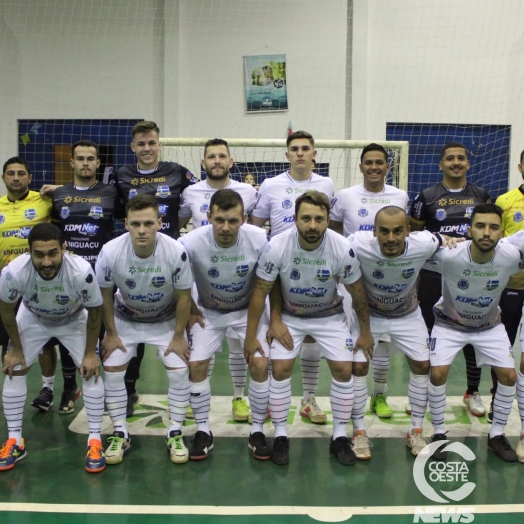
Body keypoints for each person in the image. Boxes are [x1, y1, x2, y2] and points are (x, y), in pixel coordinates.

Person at [245, 191, 374, 466]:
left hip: (329, 315)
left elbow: (358, 292)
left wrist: (365, 331)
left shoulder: (341, 247)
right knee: (280, 369)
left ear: (328, 220)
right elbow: (260, 291)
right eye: (306, 218)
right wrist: (261, 328)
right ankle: (281, 434)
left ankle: (339, 437)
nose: (312, 225)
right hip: (290, 316)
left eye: (319, 219)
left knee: (344, 369)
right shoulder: (276, 246)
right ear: (295, 219)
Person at [95, 194, 192, 465]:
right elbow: (104, 295)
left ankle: (175, 431)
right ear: (125, 224)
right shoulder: (110, 251)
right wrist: (111, 333)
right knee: (113, 371)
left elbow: (185, 296)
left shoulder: (176, 251)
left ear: (160, 223)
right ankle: (119, 432)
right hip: (125, 320)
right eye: (135, 224)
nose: (142, 230)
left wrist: (178, 337)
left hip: (166, 320)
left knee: (180, 370)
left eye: (148, 223)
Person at [110, 121, 199, 416]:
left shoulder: (177, 172)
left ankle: (185, 392)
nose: (147, 148)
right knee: (134, 321)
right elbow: (103, 198)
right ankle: (129, 390)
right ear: (133, 147)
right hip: (136, 257)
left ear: (159, 144)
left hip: (169, 258)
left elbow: (202, 194)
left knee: (178, 317)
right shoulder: (121, 175)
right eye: (141, 143)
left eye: (152, 142)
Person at [0, 223, 105, 472]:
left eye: (52, 253)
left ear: (64, 249)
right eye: (39, 255)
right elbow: (5, 309)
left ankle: (95, 440)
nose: (46, 262)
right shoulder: (13, 272)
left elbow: (95, 312)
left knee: (90, 370)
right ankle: (15, 441)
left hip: (74, 317)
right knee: (15, 367)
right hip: (33, 316)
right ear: (29, 253)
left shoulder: (81, 271)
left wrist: (90, 353)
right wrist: (15, 349)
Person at [347, 207, 447, 459]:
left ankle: (415, 430)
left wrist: (456, 240)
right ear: (374, 231)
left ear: (408, 231)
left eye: (397, 231)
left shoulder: (423, 243)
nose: (390, 238)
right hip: (369, 314)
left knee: (423, 365)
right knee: (358, 368)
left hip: (408, 314)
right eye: (384, 231)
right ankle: (358, 432)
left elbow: (444, 239)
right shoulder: (358, 244)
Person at [250, 131, 335, 425]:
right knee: (276, 332)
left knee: (311, 334)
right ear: (287, 155)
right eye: (294, 149)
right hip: (279, 267)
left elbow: (331, 225)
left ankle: (309, 399)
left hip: (315, 267)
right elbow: (256, 225)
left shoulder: (326, 184)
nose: (300, 153)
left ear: (314, 154)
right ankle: (274, 401)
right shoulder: (271, 185)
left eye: (305, 149)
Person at [179, 189, 270, 460]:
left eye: (233, 220)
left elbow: (267, 284)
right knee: (196, 364)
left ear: (244, 219)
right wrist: (192, 312)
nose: (226, 227)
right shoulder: (190, 243)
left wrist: (254, 332)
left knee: (261, 363)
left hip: (247, 311)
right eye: (219, 220)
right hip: (208, 311)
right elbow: (180, 284)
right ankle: (203, 430)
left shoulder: (260, 239)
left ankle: (257, 430)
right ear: (208, 217)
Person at [427, 203, 520, 462]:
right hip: (448, 324)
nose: (486, 233)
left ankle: (497, 435)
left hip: (489, 326)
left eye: (493, 227)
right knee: (437, 373)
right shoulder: (449, 255)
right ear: (470, 230)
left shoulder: (511, 256)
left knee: (509, 376)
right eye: (480, 226)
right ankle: (438, 435)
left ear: (502, 232)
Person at [35, 140, 118, 415]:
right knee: (67, 332)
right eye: (80, 158)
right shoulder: (58, 197)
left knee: (103, 334)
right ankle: (69, 387)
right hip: (67, 276)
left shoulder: (110, 192)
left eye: (90, 158)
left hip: (101, 274)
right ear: (71, 163)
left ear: (98, 163)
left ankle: (109, 389)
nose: (85, 163)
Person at [179, 139, 258, 422]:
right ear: (203, 162)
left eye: (222, 156)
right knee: (202, 351)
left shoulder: (247, 191)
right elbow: (179, 223)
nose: (216, 160)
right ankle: (199, 399)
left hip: (239, 279)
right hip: (206, 283)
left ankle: (240, 397)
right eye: (211, 156)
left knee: (241, 348)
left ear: (230, 161)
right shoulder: (191, 192)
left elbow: (255, 226)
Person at [410, 142, 491, 417]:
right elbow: (417, 238)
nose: (455, 162)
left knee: (472, 333)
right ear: (440, 164)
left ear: (468, 164)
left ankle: (473, 391)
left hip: (471, 277)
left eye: (461, 158)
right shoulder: (426, 197)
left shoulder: (482, 196)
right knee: (430, 333)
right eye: (450, 159)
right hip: (434, 276)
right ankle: (426, 393)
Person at [330, 143, 409, 419]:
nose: (374, 167)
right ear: (361, 166)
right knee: (353, 337)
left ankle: (379, 394)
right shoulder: (345, 196)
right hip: (352, 280)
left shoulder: (400, 196)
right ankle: (354, 394)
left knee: (383, 339)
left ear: (387, 167)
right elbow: (336, 232)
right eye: (369, 162)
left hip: (387, 279)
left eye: (379, 162)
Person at [0, 158, 60, 413]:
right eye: (10, 174)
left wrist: (58, 188)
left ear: (30, 177)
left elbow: (74, 198)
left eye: (21, 173)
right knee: (10, 336)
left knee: (44, 339)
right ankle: (12, 389)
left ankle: (47, 388)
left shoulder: (43, 200)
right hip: (8, 280)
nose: (16, 178)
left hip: (40, 280)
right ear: (3, 178)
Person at [492, 150, 524, 422]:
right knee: (504, 346)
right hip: (511, 286)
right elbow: (495, 241)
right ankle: (495, 398)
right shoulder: (506, 200)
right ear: (520, 167)